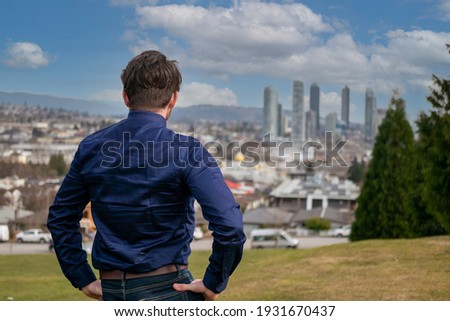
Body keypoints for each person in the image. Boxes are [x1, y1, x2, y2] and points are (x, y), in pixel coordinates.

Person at [47, 50, 246, 301]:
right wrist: (213, 282)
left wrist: (81, 275)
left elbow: (61, 216)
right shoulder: (188, 152)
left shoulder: (91, 147)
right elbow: (230, 227)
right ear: (173, 99)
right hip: (170, 289)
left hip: (113, 291)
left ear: (126, 97)